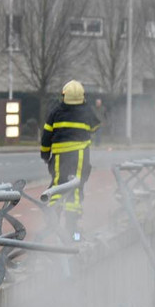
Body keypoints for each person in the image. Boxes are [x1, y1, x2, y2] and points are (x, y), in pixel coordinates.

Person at [39, 80, 100, 240]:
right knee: (76, 186)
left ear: (64, 95)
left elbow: (46, 136)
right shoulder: (86, 111)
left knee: (58, 185)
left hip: (59, 156)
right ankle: (72, 228)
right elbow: (95, 127)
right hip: (80, 155)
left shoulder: (56, 111)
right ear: (82, 96)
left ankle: (52, 221)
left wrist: (45, 155)